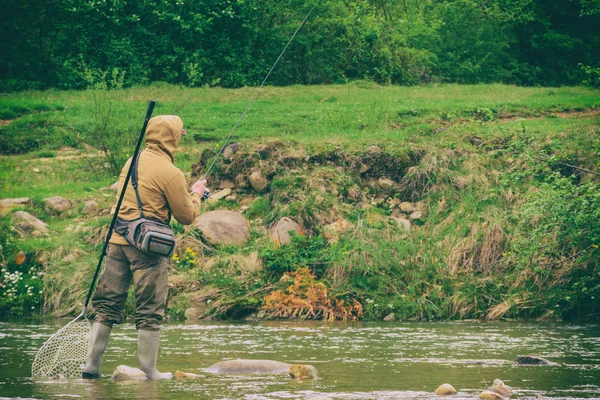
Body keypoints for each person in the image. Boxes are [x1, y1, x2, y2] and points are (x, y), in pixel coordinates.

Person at [82, 115, 208, 379]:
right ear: (172, 138)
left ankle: (91, 365)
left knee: (107, 304)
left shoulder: (132, 160)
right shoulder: (170, 172)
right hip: (147, 248)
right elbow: (186, 216)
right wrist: (196, 193)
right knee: (150, 307)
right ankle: (149, 371)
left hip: (117, 241)